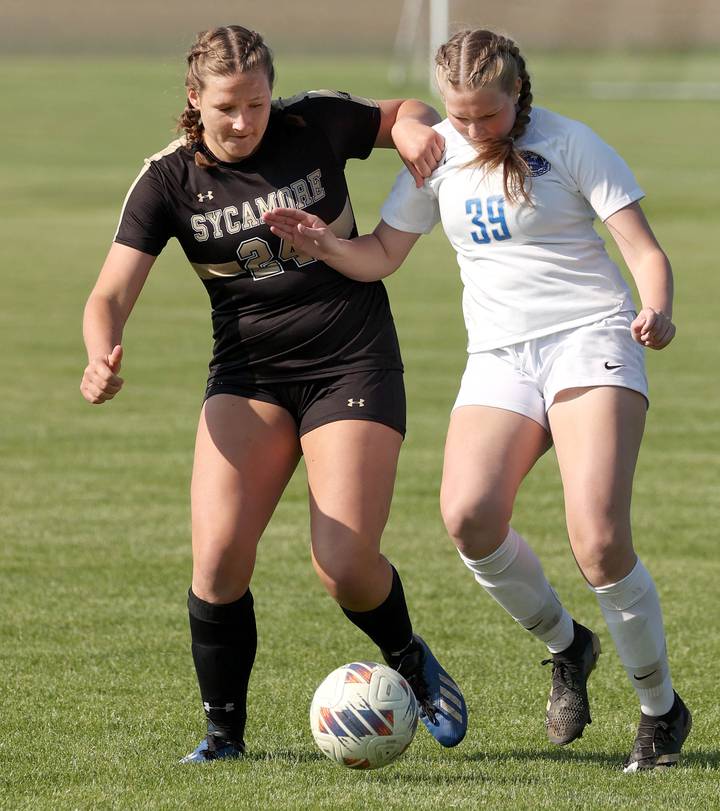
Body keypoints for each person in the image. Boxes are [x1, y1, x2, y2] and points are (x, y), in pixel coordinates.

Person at [263, 28, 692, 772]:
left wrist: (655, 307)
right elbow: (384, 256)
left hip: (590, 336)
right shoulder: (439, 154)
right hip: (500, 355)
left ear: (519, 92)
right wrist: (324, 243)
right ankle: (568, 646)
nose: (469, 130)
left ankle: (660, 710)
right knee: (468, 517)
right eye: (458, 116)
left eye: (486, 116)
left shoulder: (571, 143)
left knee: (596, 537)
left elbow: (643, 248)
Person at [79, 24, 468, 763]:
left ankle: (409, 659)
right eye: (226, 106)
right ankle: (224, 737)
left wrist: (415, 127)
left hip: (351, 360)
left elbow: (400, 112)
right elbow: (108, 294)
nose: (243, 121)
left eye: (254, 103)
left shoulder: (312, 121)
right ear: (195, 99)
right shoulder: (167, 179)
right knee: (219, 557)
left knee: (344, 564)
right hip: (250, 374)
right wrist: (102, 354)